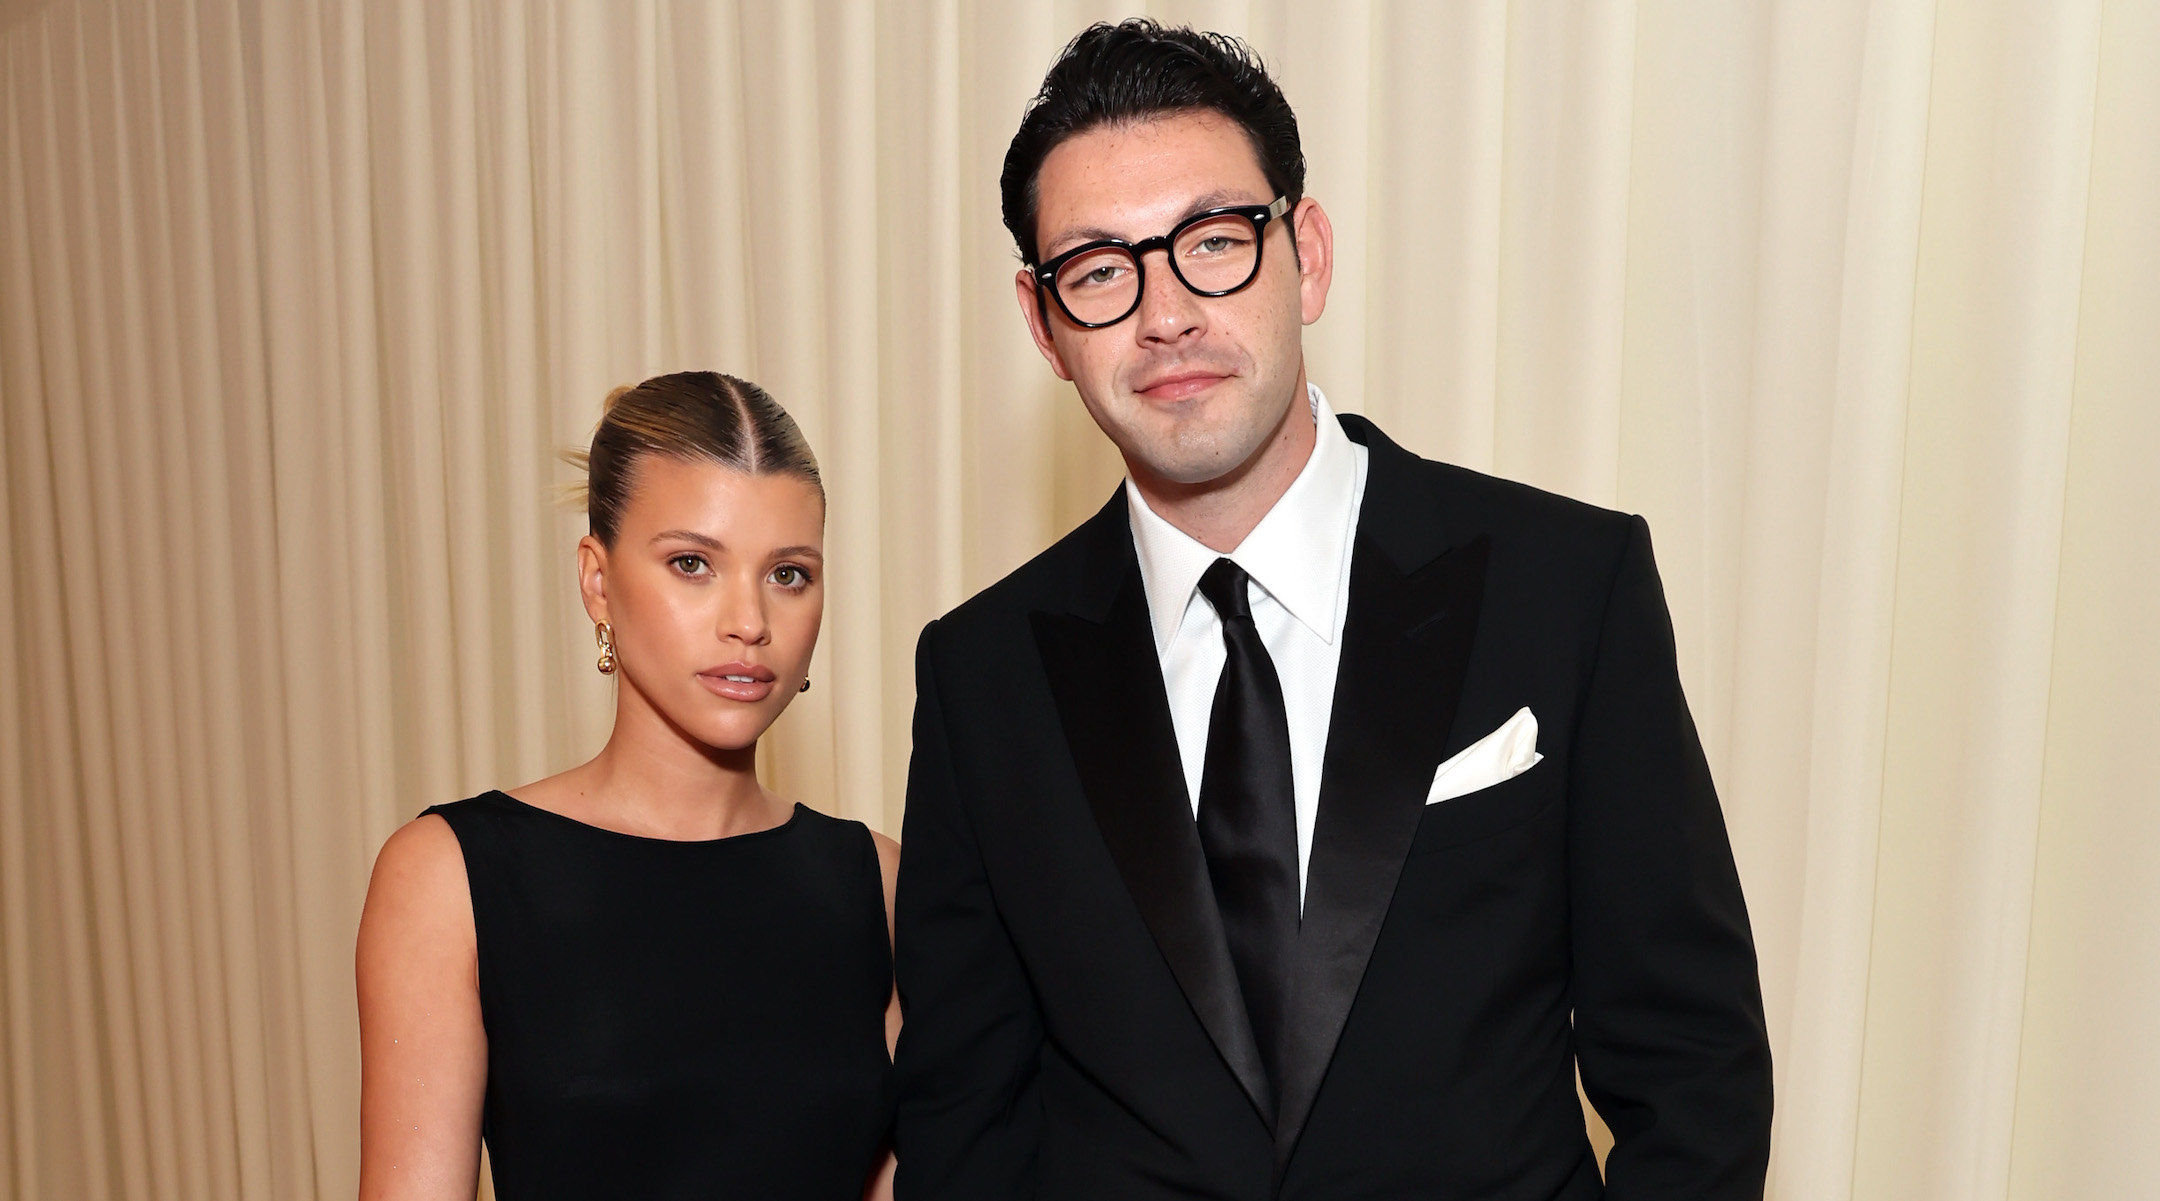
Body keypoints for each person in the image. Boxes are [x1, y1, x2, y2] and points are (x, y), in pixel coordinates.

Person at [893, 20, 1772, 1201]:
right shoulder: (979, 676)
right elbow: (965, 1121)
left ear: (1306, 254)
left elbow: (1695, 1069)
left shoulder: (1567, 584)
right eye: (1100, 269)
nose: (1165, 315)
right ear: (1043, 322)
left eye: (1212, 240)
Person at [356, 372, 898, 1201]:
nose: (748, 621)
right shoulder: (450, 877)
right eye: (693, 563)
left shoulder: (882, 884)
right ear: (597, 581)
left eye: (788, 573)